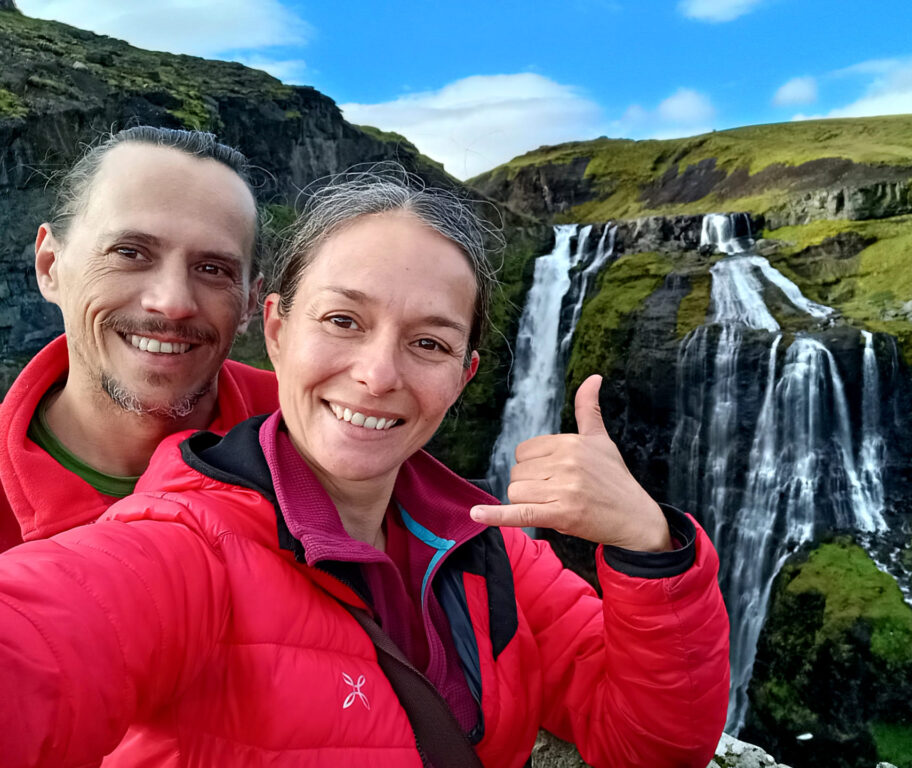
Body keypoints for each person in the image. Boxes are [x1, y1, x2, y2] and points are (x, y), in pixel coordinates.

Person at [0, 171, 730, 767]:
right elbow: (40, 642)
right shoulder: (185, 545)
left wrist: (649, 546)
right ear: (278, 329)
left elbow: (651, 746)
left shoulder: (491, 550)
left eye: (430, 343)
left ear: (466, 375)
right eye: (343, 321)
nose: (379, 375)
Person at [0, 127, 279, 552]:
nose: (172, 302)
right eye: (129, 253)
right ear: (50, 266)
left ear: (249, 304)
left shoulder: (320, 434)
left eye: (212, 269)